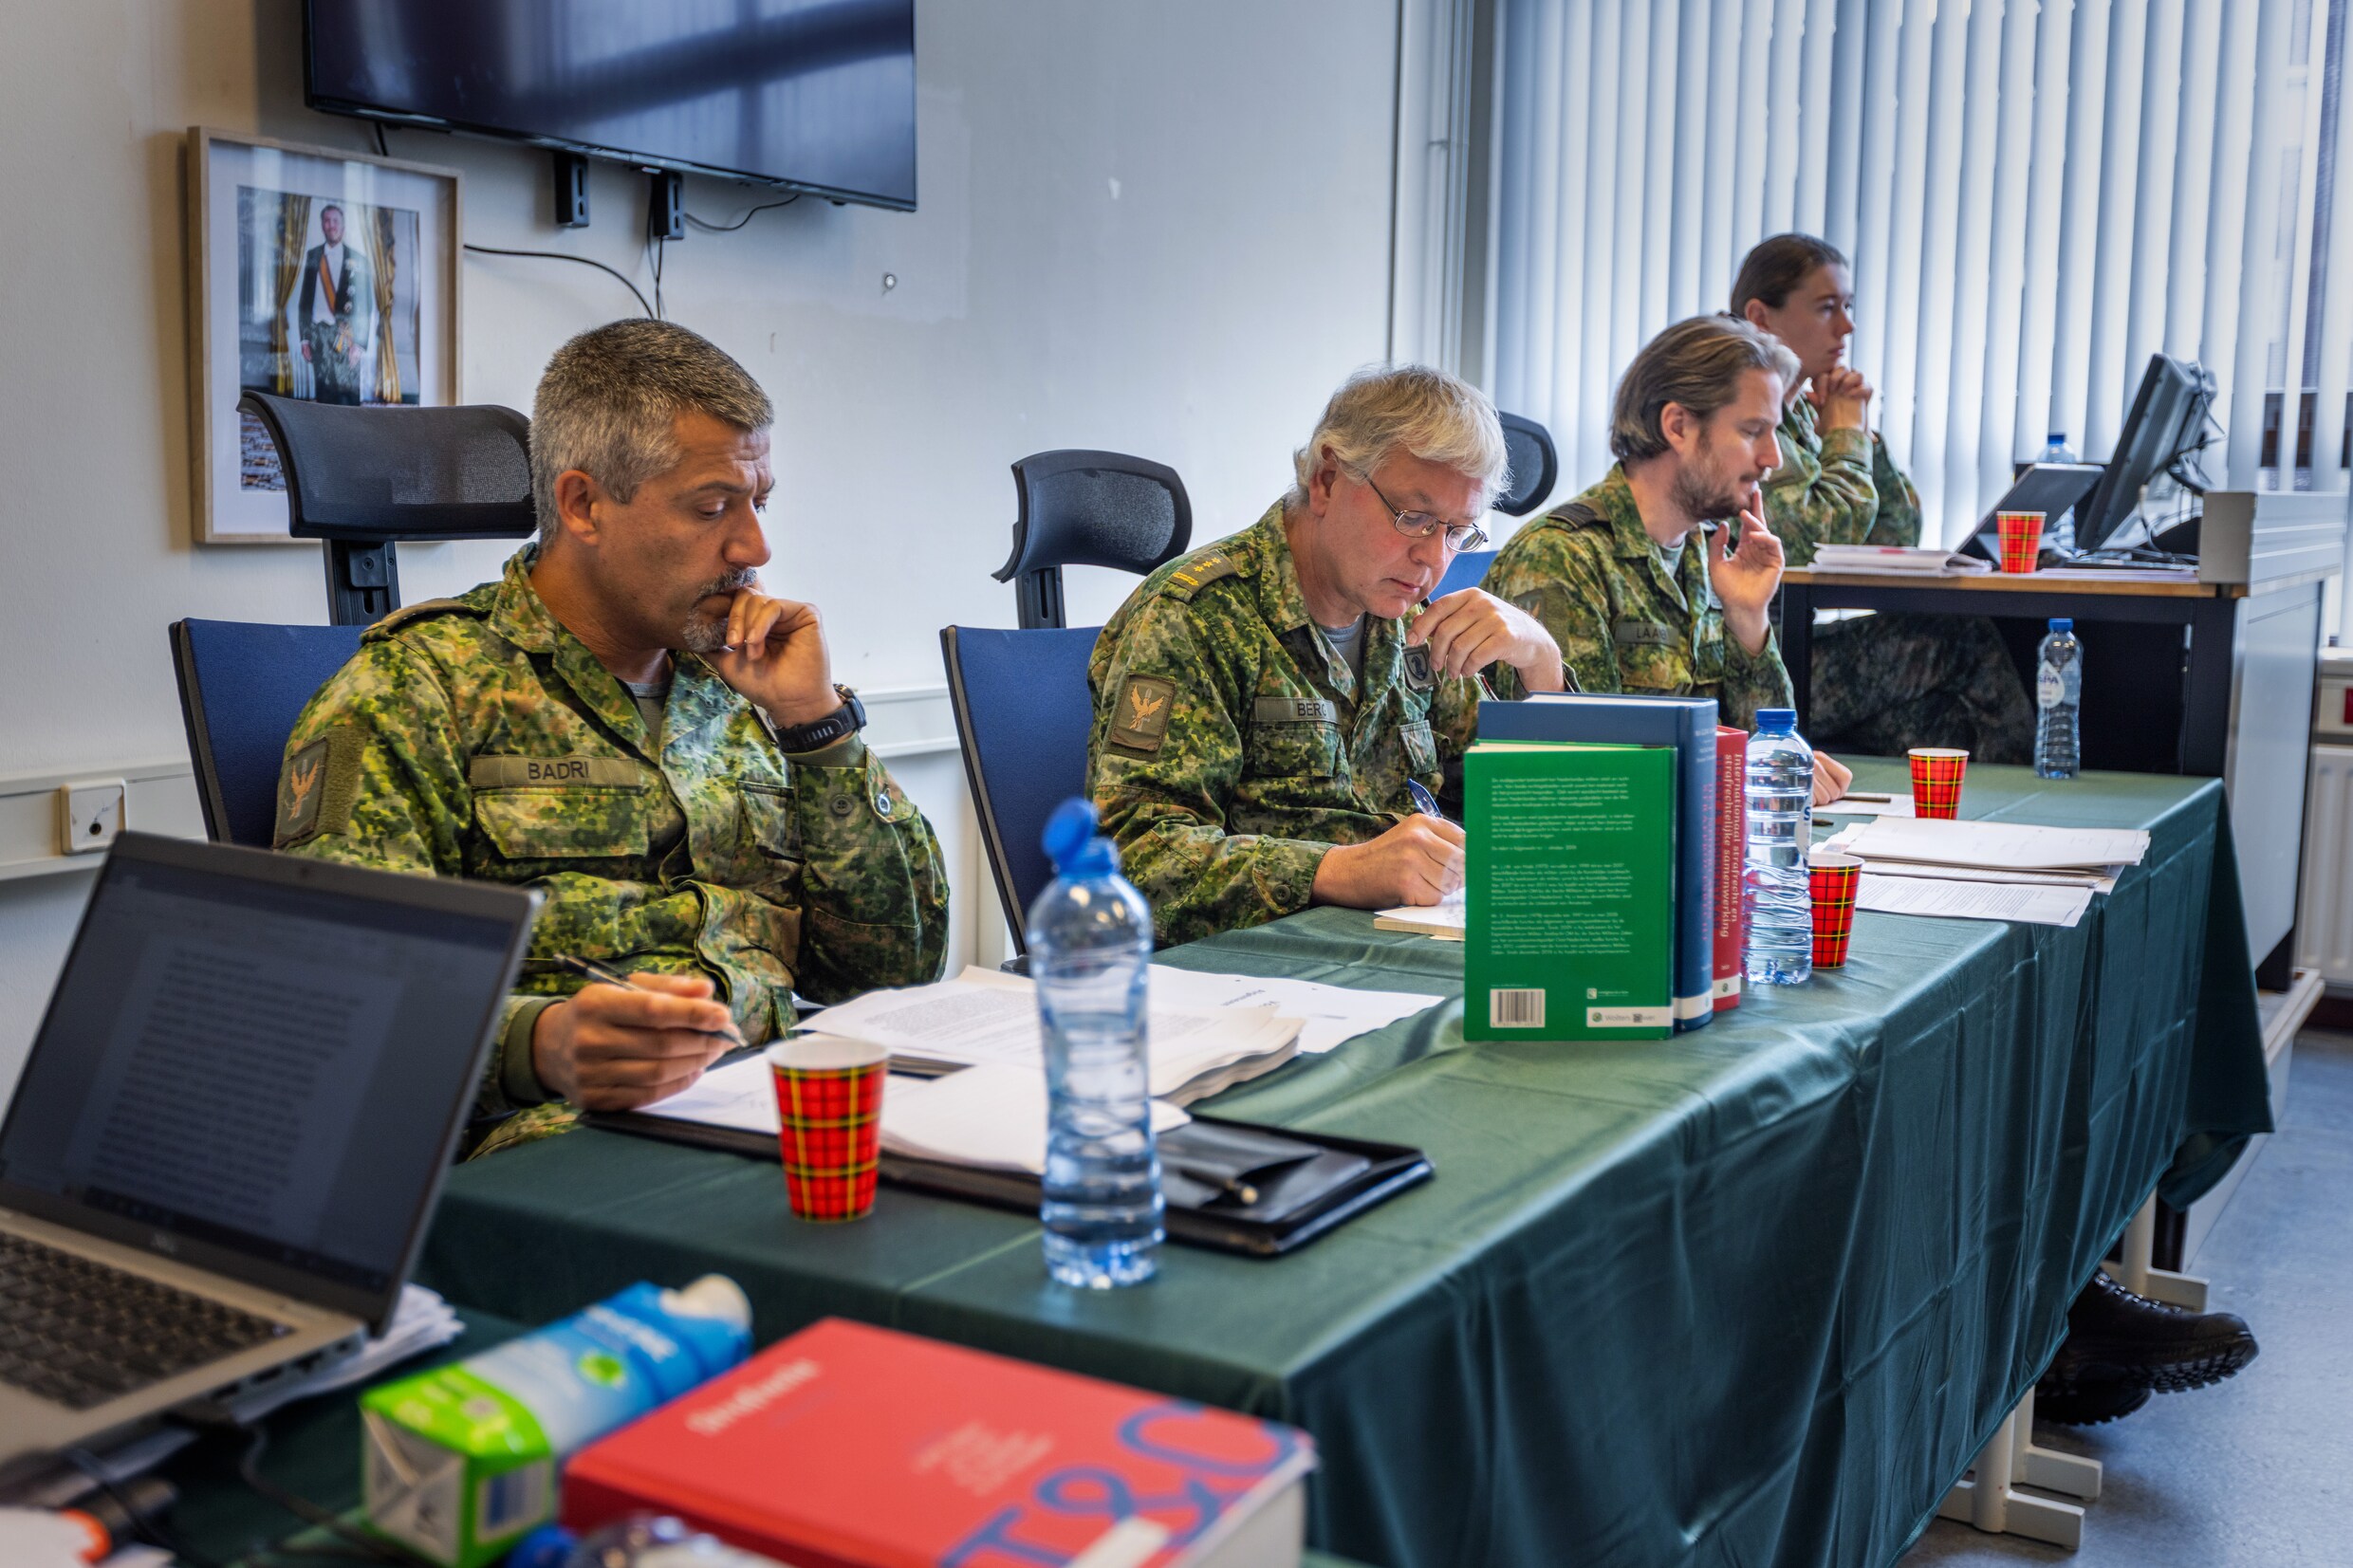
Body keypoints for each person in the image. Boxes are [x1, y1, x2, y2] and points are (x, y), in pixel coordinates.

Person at [275, 320, 950, 1153]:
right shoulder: (415, 691)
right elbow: (339, 989)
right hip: (571, 1146)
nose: (755, 546)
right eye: (711, 507)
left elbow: (896, 969)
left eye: (758, 503)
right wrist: (540, 1042)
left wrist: (818, 727)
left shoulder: (743, 688)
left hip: (776, 1106)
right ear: (583, 504)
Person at [1085, 365, 1568, 948]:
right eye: (1412, 517)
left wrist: (1541, 664)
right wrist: (1341, 870)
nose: (1432, 559)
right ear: (1326, 479)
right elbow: (1134, 856)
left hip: (1402, 949)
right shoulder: (1196, 616)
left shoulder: (1413, 621)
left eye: (1456, 531)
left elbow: (1532, 820)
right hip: (1256, 973)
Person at [1485, 314, 1852, 803]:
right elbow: (1583, 773)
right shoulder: (1562, 557)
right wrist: (1737, 780)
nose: (1773, 458)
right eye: (1752, 431)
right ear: (1678, 425)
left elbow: (1767, 745)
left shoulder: (1711, 552)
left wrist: (1748, 619)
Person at [1733, 233, 2033, 764]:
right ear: (1761, 316)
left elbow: (1893, 534)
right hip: (1752, 663)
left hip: (1796, 648)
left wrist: (1859, 434)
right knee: (1959, 636)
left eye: (1847, 307)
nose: (1846, 326)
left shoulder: (1803, 407)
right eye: (1827, 308)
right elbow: (1814, 536)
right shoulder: (1742, 406)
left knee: (1949, 729)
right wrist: (1845, 434)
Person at [295, 203, 375, 407]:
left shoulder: (359, 259)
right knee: (324, 395)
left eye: (335, 221)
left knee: (348, 396)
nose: (331, 225)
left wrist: (360, 343)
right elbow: (305, 299)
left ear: (343, 226)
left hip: (347, 337)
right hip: (319, 334)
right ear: (322, 225)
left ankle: (351, 438)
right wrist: (305, 338)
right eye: (327, 221)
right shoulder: (313, 256)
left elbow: (366, 305)